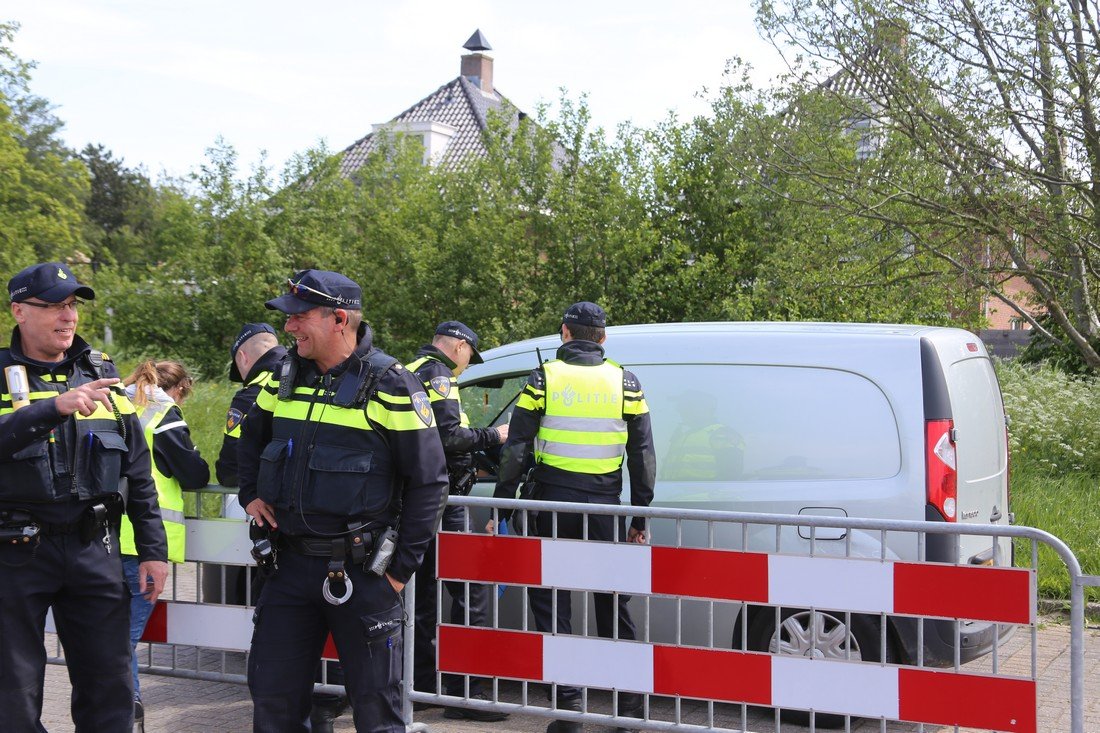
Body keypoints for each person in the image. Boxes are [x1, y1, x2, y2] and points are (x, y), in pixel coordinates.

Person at [237, 269, 448, 733]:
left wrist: (398, 574)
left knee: (377, 713)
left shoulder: (392, 384)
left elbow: (429, 483)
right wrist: (249, 493)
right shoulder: (282, 377)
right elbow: (246, 443)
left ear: (338, 319)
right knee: (272, 703)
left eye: (299, 317)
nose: (288, 328)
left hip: (364, 572)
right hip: (289, 569)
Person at [0, 262, 169, 731]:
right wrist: (50, 409)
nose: (67, 316)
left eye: (72, 305)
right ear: (19, 310)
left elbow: (138, 473)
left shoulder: (101, 374)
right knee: (12, 690)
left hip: (94, 547)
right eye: (53, 305)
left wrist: (154, 552)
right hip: (15, 551)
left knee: (109, 685)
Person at [488, 301, 656, 733]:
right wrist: (639, 516)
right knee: (613, 602)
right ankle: (631, 710)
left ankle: (568, 712)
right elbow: (642, 455)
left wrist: (503, 506)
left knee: (553, 603)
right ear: (602, 338)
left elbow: (516, 448)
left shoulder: (544, 378)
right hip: (604, 507)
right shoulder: (626, 381)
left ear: (565, 333)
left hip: (552, 507)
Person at [215, 323, 349, 730]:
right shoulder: (323, 374)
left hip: (281, 536)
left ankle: (311, 709)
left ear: (243, 359)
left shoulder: (257, 389)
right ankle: (324, 704)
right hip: (338, 534)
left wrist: (253, 491)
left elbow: (229, 466)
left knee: (280, 644)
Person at [407, 321, 509, 722]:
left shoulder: (409, 368)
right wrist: (494, 436)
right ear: (460, 347)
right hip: (445, 501)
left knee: (423, 596)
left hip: (416, 498)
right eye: (469, 358)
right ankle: (468, 692)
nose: (466, 367)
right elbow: (450, 437)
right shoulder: (439, 376)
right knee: (470, 590)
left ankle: (423, 684)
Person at [119, 359, 209, 730]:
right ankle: (126, 708)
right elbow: (194, 474)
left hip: (103, 533)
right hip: (143, 541)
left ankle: (121, 706)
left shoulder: (114, 402)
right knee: (124, 637)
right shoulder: (164, 412)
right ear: (179, 389)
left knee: (111, 632)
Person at [215, 322, 287, 488]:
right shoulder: (306, 377)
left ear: (242, 357)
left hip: (262, 499)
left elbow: (230, 469)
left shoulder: (249, 396)